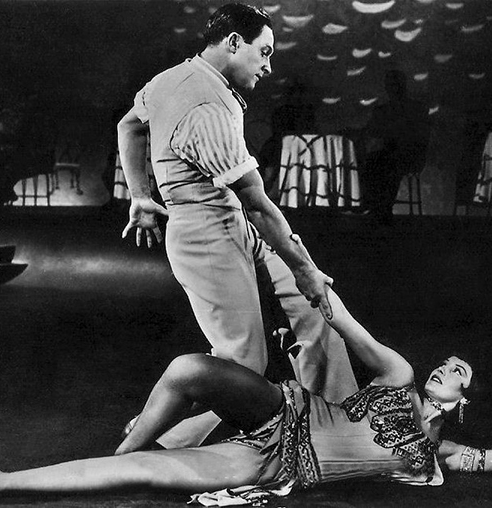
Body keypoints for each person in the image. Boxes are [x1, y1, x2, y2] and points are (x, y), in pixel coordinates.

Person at [0, 283, 492, 504]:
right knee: (189, 368)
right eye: (449, 362)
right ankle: (118, 449)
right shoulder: (399, 377)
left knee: (145, 475)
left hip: (280, 464)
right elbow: (347, 324)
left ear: (463, 401)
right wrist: (312, 286)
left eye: (460, 372)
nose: (449, 366)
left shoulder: (444, 454)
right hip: (285, 409)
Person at [115, 3, 357, 448]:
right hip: (205, 235)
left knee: (317, 308)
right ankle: (159, 440)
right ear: (233, 43)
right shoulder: (203, 105)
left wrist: (140, 195)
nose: (268, 66)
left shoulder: (178, 77)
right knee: (243, 367)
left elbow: (128, 126)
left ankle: (336, 432)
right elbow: (258, 205)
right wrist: (304, 266)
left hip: (233, 221)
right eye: (264, 53)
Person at [357, 69, 430, 225]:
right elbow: (373, 130)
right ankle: (377, 207)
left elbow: (375, 131)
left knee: (381, 162)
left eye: (393, 85)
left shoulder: (412, 109)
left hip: (407, 157)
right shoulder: (413, 108)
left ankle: (377, 207)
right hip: (396, 156)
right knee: (376, 161)